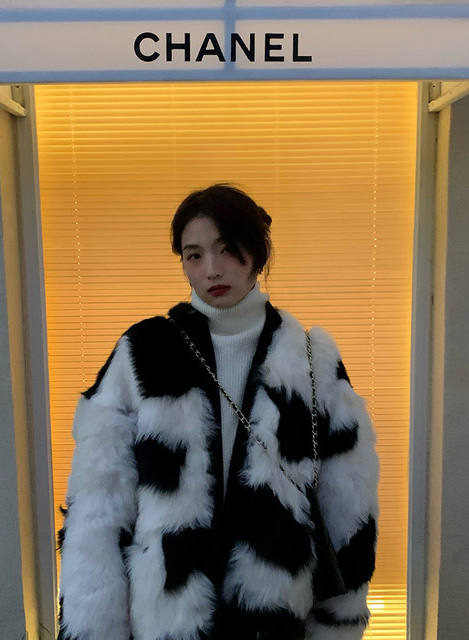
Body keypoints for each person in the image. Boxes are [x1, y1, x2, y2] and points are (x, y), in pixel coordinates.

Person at [57, 184, 379, 640]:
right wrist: (94, 627)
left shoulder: (312, 362)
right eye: (194, 255)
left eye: (228, 249)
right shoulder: (144, 354)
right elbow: (98, 508)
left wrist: (337, 626)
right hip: (169, 618)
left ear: (257, 252)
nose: (211, 269)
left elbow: (348, 506)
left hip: (275, 616)